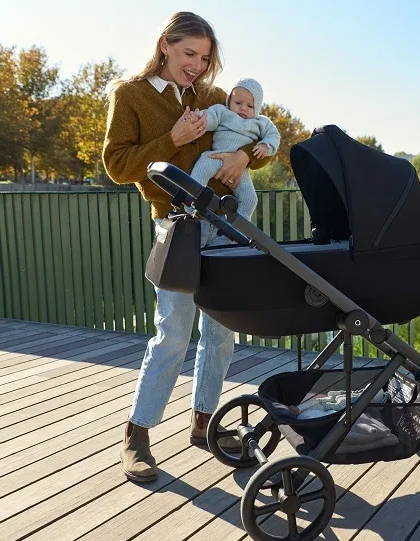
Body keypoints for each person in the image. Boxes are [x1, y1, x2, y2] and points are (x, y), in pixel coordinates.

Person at [102, 11, 270, 482]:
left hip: (224, 225)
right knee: (173, 334)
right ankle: (136, 435)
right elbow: (117, 165)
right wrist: (171, 139)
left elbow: (251, 133)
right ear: (165, 45)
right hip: (177, 226)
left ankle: (204, 423)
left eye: (204, 58)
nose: (196, 65)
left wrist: (242, 157)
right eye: (188, 54)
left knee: (220, 332)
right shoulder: (130, 95)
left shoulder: (213, 97)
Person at [183, 77, 280, 220]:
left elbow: (274, 136)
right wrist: (196, 117)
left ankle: (239, 226)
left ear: (257, 108)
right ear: (229, 101)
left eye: (250, 106)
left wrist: (266, 145)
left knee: (250, 199)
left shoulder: (262, 122)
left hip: (240, 170)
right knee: (200, 171)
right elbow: (209, 117)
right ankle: (190, 203)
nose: (243, 108)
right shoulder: (223, 112)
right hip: (216, 156)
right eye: (238, 103)